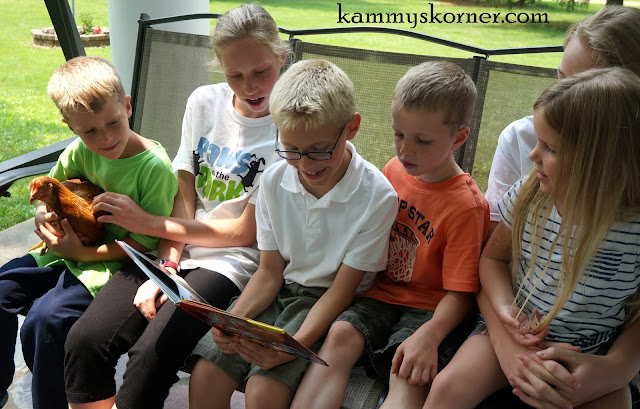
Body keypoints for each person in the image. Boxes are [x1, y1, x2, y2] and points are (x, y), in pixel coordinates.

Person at [62, 5, 289, 409]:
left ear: (282, 58)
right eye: (235, 75)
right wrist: (167, 265)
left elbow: (244, 233)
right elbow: (185, 188)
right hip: (171, 247)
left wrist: (148, 223)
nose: (250, 86)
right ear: (220, 67)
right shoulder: (204, 102)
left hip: (231, 264)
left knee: (150, 356)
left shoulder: (289, 128)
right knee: (85, 342)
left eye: (261, 71)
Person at [187, 58, 398, 409]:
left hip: (329, 302)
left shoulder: (376, 197)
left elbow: (341, 292)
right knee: (206, 376)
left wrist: (291, 347)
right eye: (291, 150)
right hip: (281, 287)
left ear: (352, 127)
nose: (305, 165)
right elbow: (269, 271)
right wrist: (234, 321)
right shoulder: (273, 180)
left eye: (318, 150)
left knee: (263, 393)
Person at [425, 67, 640, 409]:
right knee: (447, 389)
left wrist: (614, 369)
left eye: (550, 148)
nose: (532, 155)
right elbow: (492, 259)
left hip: (594, 351)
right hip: (514, 333)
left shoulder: (633, 228)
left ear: (602, 162)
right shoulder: (531, 196)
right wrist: (506, 309)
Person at [291, 61, 490, 409]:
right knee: (340, 334)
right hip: (381, 295)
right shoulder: (394, 171)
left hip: (429, 311)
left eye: (422, 141)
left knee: (408, 371)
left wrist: (429, 337)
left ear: (458, 138)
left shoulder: (466, 206)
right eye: (399, 134)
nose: (405, 150)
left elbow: (461, 294)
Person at [0, 56, 177, 409]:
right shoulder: (79, 151)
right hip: (60, 253)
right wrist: (42, 219)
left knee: (46, 321)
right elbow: (49, 193)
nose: (105, 138)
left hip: (108, 264)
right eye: (90, 131)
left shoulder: (153, 168)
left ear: (128, 106)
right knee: (2, 289)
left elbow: (145, 243)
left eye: (113, 122)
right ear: (70, 127)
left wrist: (81, 254)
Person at [484, 5, 640, 233]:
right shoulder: (521, 138)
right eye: (561, 77)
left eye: (584, 89)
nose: (562, 95)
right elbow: (495, 237)